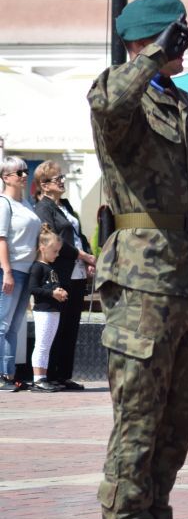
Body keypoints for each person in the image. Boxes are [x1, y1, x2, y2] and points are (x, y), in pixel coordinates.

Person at [89, 0, 188, 519]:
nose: (184, 44)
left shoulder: (184, 105)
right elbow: (110, 102)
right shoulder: (120, 93)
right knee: (138, 423)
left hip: (185, 286)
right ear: (144, 40)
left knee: (175, 424)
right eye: (176, 35)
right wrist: (146, 59)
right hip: (141, 285)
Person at [32, 161, 95, 390]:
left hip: (77, 272)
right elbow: (55, 241)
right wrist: (83, 256)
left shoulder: (66, 206)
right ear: (44, 185)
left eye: (62, 178)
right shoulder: (43, 208)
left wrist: (87, 256)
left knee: (71, 324)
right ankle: (50, 375)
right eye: (57, 179)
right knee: (57, 324)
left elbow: (79, 234)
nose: (61, 182)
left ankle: (64, 375)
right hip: (60, 272)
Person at [0, 157, 41, 393]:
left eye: (25, 171)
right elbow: (1, 238)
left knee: (14, 326)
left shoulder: (26, 203)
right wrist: (6, 271)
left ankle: (9, 374)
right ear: (6, 177)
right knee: (2, 325)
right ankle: (2, 374)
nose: (24, 175)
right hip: (11, 269)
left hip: (28, 270)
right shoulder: (4, 203)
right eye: (19, 173)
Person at [28, 226, 69, 391]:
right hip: (43, 311)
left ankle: (43, 376)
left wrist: (61, 292)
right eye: (55, 251)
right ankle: (38, 378)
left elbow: (54, 286)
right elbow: (33, 288)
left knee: (47, 345)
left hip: (53, 311)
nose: (57, 255)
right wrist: (52, 293)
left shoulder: (51, 267)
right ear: (43, 248)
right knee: (42, 345)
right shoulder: (37, 267)